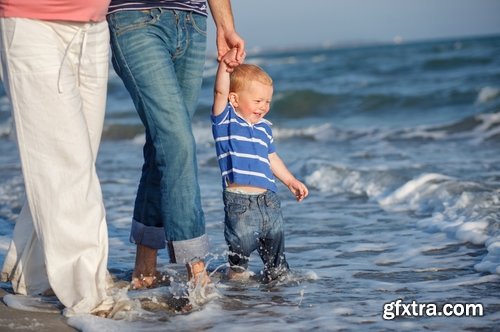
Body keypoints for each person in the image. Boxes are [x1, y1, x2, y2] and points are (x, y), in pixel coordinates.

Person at [106, 0, 245, 289]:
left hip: (192, 22)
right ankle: (197, 273)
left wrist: (226, 26)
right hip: (136, 18)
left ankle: (144, 269)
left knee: (164, 144)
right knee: (177, 141)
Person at [0, 0, 114, 316]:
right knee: (67, 163)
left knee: (77, 160)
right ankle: (88, 293)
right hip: (30, 22)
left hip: (93, 26)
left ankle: (31, 272)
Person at [212, 48, 309, 282]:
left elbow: (271, 157)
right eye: (258, 100)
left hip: (269, 200)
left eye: (267, 101)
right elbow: (219, 91)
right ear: (234, 99)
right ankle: (236, 280)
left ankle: (277, 285)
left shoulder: (265, 127)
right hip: (240, 202)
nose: (264, 106)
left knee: (276, 254)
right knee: (240, 248)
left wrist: (290, 180)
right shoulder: (226, 120)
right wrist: (224, 67)